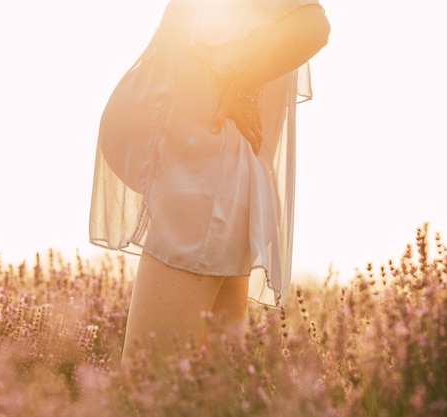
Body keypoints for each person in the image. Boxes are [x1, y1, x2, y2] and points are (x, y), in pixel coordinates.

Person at [89, 0, 330, 364]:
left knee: (144, 386)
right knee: (211, 390)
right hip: (209, 192)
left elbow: (313, 25)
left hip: (203, 198)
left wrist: (243, 86)